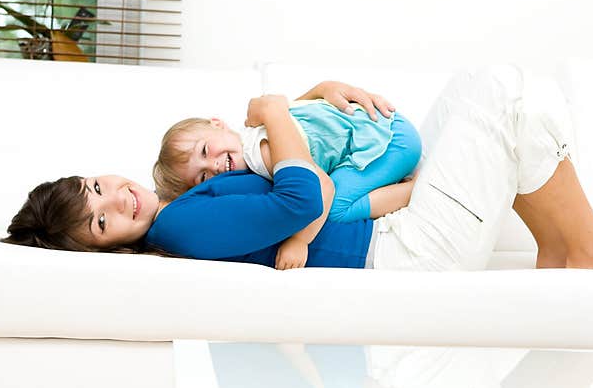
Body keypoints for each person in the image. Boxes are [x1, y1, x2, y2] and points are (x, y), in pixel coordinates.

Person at [4, 70, 593, 279]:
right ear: (107, 245)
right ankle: (584, 248)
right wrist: (271, 106)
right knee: (505, 95)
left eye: (97, 187)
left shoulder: (185, 201)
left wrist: (313, 94)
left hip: (396, 231)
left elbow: (282, 161)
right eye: (99, 222)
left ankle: (562, 250)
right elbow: (299, 193)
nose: (115, 200)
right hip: (401, 249)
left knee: (482, 87)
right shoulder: (179, 226)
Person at [151, 96, 422, 267]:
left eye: (204, 151)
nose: (214, 165)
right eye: (203, 176)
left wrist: (300, 241)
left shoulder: (261, 152)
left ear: (217, 123)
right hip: (385, 131)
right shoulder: (255, 134)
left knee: (337, 209)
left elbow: (322, 187)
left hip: (388, 139)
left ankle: (412, 190)